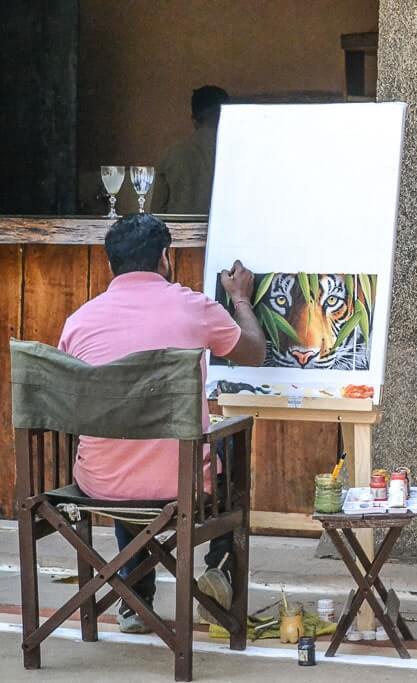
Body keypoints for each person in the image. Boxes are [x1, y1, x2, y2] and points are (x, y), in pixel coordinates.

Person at [58, 213, 265, 633]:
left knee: (122, 444)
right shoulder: (193, 306)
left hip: (101, 483)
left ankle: (135, 599)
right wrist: (240, 299)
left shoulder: (79, 322)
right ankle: (220, 567)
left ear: (111, 264)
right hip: (181, 484)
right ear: (165, 259)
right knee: (228, 442)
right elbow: (254, 353)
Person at [149, 85, 230, 214]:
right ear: (226, 115)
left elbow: (156, 210)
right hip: (223, 231)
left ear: (194, 119)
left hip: (178, 232)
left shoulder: (171, 154)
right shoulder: (238, 155)